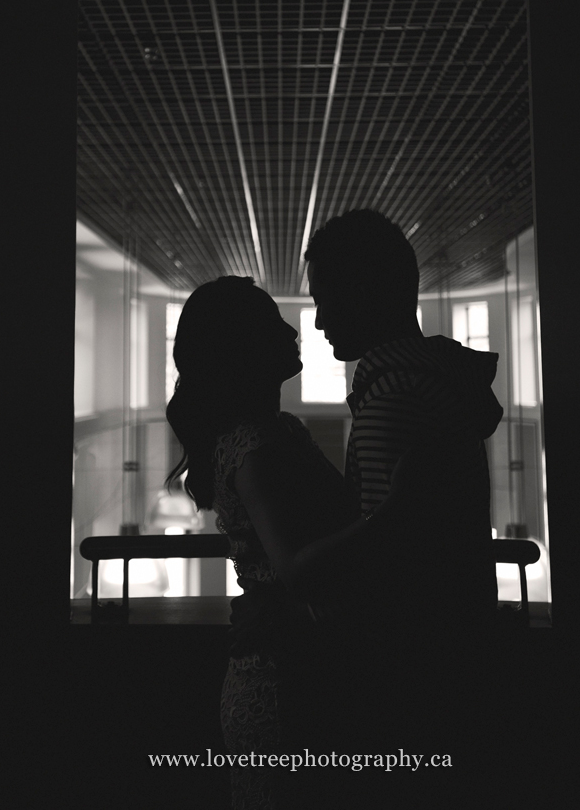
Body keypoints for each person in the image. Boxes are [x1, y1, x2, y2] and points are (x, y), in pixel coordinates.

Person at [165, 276, 409, 810]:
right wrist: (394, 514)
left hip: (290, 672)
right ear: (244, 348)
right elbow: (296, 567)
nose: (291, 330)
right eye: (270, 322)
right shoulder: (259, 444)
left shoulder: (276, 431)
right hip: (281, 689)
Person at [304, 208, 504, 762]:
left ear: (365, 293)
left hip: (406, 668)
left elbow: (388, 559)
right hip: (454, 654)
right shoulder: (434, 380)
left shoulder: (391, 401)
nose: (318, 323)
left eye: (324, 301)